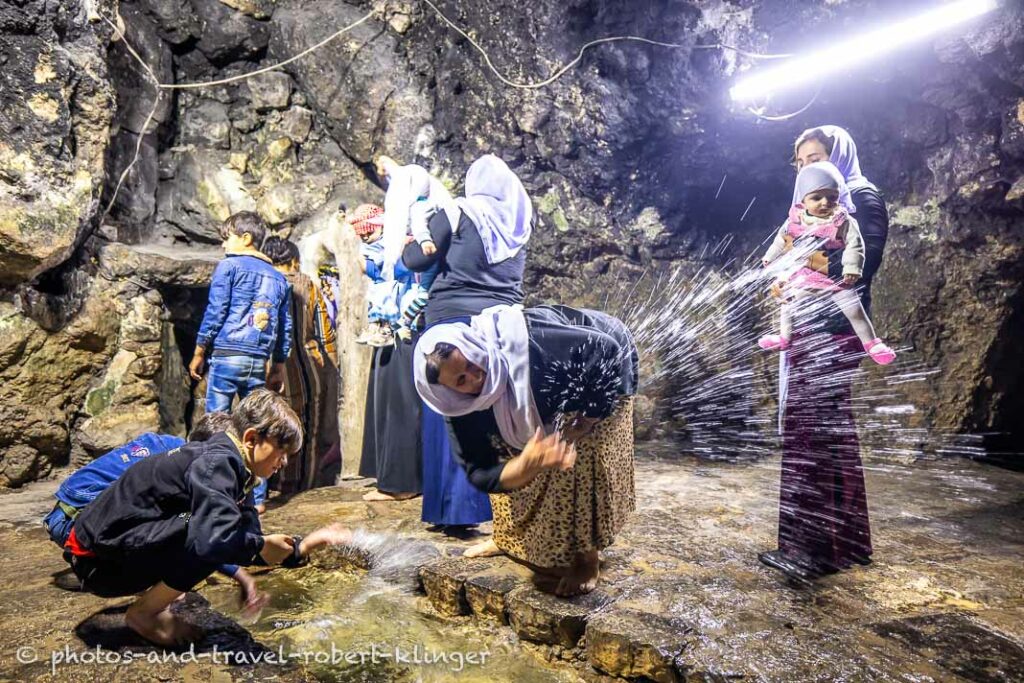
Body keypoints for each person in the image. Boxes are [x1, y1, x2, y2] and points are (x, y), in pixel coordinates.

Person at [64, 390, 352, 646]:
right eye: (282, 451)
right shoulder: (219, 462)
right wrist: (256, 547)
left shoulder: (240, 474)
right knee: (211, 536)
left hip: (110, 554)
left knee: (220, 532)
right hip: (98, 563)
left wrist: (304, 546)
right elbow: (218, 541)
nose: (284, 462)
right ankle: (145, 614)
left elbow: (251, 538)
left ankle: (152, 601)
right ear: (251, 438)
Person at [414, 304, 639, 597]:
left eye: (471, 363)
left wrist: (588, 418)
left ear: (474, 346)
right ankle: (508, 538)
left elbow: (605, 350)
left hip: (604, 364)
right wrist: (524, 466)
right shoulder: (459, 406)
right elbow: (479, 471)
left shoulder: (534, 345)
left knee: (580, 453)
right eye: (460, 380)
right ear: (446, 391)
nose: (475, 377)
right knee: (510, 454)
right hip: (561, 381)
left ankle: (587, 558)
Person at [760, 125, 890, 582]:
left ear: (838, 156)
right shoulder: (815, 207)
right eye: (799, 162)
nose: (807, 168)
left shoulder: (860, 201)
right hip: (813, 323)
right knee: (823, 431)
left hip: (832, 330)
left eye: (816, 156)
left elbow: (859, 266)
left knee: (813, 431)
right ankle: (839, 545)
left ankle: (813, 550)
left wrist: (799, 265)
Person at [402, 154, 533, 539]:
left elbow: (415, 258)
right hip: (500, 328)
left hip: (452, 325)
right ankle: (493, 510)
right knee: (493, 421)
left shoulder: (460, 212)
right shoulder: (519, 224)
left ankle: (451, 510)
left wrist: (412, 236)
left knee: (450, 412)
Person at [44, 413, 265, 614]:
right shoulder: (180, 463)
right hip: (71, 519)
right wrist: (238, 573)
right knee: (180, 526)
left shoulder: (173, 448)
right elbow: (204, 529)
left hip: (72, 513)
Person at [759, 161, 896, 364]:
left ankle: (872, 344)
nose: (825, 203)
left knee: (855, 311)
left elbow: (855, 245)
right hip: (806, 275)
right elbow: (781, 239)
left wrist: (852, 267)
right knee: (787, 304)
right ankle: (784, 338)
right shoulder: (794, 220)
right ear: (803, 199)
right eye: (816, 198)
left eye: (832, 197)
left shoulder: (843, 221)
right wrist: (770, 257)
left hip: (835, 276)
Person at [189, 211, 292, 411]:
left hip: (228, 355)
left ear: (246, 238)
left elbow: (216, 311)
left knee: (217, 420)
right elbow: (285, 327)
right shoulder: (279, 279)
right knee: (251, 418)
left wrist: (199, 351)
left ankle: (218, 443)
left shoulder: (228, 266)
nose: (223, 245)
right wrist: (278, 365)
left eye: (226, 238)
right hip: (259, 361)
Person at [262, 237, 341, 492]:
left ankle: (274, 483)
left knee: (275, 427)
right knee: (311, 433)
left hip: (273, 373)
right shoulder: (308, 285)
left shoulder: (263, 282)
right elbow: (325, 332)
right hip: (310, 370)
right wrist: (333, 367)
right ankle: (306, 484)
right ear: (294, 260)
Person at [350, 204, 427, 347]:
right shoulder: (365, 249)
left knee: (391, 290)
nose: (365, 236)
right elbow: (374, 271)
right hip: (384, 283)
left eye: (369, 232)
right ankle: (378, 324)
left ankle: (390, 328)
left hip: (402, 285)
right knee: (377, 291)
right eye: (362, 235)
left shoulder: (397, 239)